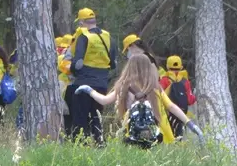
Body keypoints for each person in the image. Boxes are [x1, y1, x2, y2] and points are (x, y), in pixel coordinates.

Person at [75, 55, 203, 147]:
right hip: (154, 135)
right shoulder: (154, 86)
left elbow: (103, 100)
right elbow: (171, 106)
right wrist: (191, 125)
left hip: (131, 135)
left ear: (129, 67)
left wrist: (88, 90)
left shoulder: (124, 85)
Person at [67, 8, 116, 145]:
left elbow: (77, 64)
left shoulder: (83, 36)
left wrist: (70, 68)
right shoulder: (108, 37)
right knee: (96, 116)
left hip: (83, 83)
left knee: (80, 118)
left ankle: (80, 145)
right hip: (101, 84)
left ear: (82, 22)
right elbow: (113, 63)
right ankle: (99, 143)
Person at [159, 55, 196, 138]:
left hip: (167, 113)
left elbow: (159, 96)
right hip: (181, 114)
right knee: (179, 137)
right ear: (181, 67)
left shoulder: (164, 80)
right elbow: (190, 100)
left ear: (167, 66)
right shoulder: (185, 81)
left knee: (167, 137)